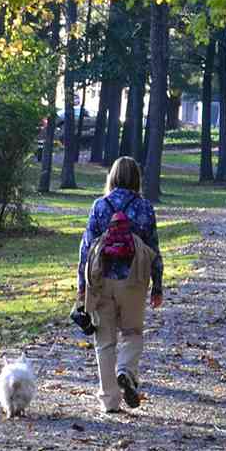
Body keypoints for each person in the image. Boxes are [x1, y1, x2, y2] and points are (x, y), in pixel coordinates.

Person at [77, 155, 164, 415]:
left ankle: (110, 401)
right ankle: (125, 370)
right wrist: (157, 285)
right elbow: (154, 250)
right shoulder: (145, 208)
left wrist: (82, 286)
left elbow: (86, 248)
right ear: (136, 178)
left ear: (112, 177)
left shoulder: (100, 206)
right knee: (132, 333)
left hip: (101, 280)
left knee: (104, 342)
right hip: (134, 281)